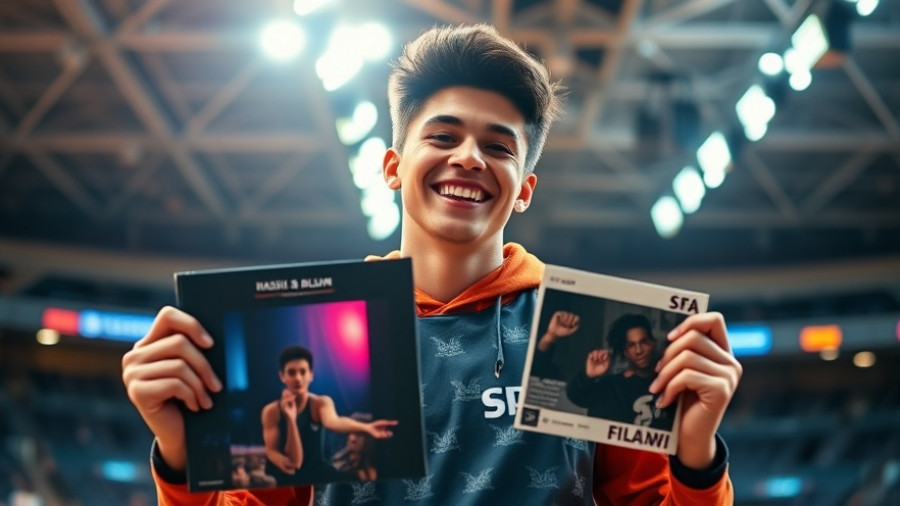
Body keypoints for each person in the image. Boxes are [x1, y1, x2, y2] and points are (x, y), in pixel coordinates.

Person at [121, 23, 742, 505]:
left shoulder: (587, 330)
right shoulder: (308, 332)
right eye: (443, 137)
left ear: (524, 187)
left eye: (498, 146)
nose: (469, 157)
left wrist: (696, 455)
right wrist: (179, 457)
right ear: (392, 166)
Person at [260, 346, 396, 483]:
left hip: (316, 471)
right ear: (282, 376)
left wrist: (368, 428)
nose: (298, 378)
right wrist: (290, 419)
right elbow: (290, 460)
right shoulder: (271, 411)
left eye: (303, 372)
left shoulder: (320, 403)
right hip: (285, 473)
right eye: (291, 373)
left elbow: (334, 422)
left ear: (311, 374)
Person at [546, 312, 677, 430]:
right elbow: (576, 395)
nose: (639, 350)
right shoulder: (612, 387)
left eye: (644, 342)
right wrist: (588, 376)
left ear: (652, 343)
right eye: (631, 345)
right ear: (624, 351)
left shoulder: (669, 384)